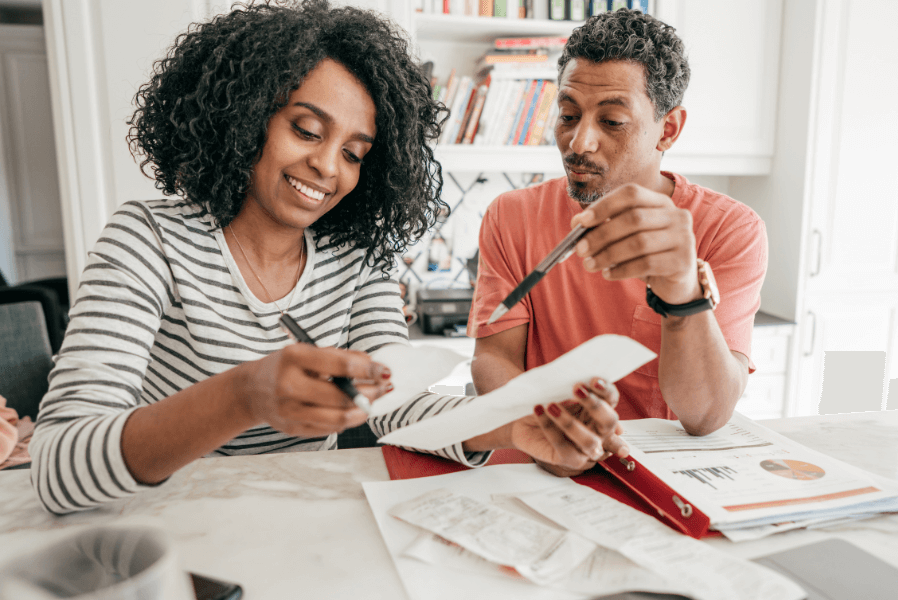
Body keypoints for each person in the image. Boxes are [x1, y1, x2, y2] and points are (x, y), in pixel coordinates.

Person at [30, 0, 623, 515]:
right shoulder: (148, 241)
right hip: (164, 524)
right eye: (308, 131)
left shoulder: (357, 257)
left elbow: (398, 406)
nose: (328, 168)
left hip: (304, 521)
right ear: (244, 117)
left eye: (355, 152)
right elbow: (58, 464)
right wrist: (244, 395)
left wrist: (521, 422)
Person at [468, 9, 768, 476]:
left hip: (653, 477)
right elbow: (493, 358)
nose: (578, 142)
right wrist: (547, 426)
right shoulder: (512, 215)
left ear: (667, 129)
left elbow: (706, 414)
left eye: (611, 121)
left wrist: (682, 289)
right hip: (535, 468)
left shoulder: (729, 229)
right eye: (568, 115)